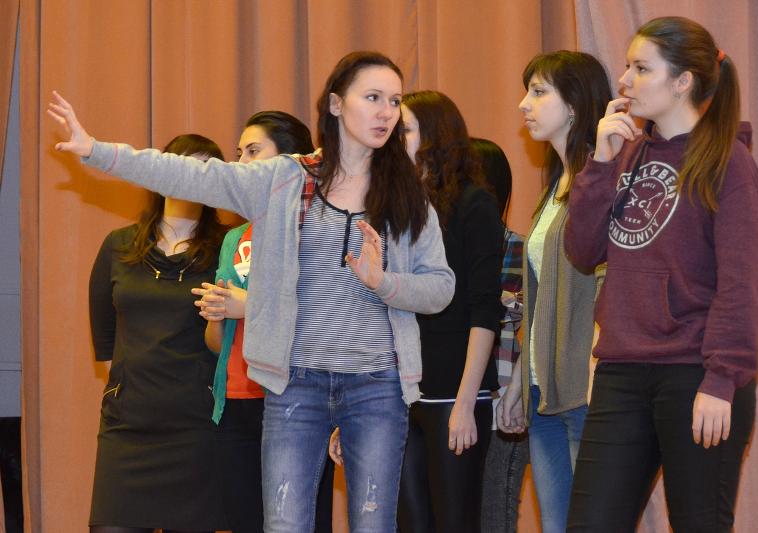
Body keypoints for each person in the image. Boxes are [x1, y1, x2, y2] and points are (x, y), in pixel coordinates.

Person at [49, 50, 455, 532]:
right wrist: (96, 150)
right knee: (283, 524)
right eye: (372, 98)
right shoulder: (284, 179)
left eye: (394, 100)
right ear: (336, 104)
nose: (386, 111)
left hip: (377, 387)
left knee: (373, 525)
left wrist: (383, 281)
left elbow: (440, 288)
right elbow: (191, 175)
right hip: (295, 383)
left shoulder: (408, 195)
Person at [563, 16, 758, 532]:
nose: (624, 80)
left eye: (641, 68)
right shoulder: (625, 154)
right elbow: (583, 252)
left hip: (695, 372)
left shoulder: (728, 162)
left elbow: (744, 282)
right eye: (627, 66)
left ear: (682, 81)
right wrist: (600, 164)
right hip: (622, 371)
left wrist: (722, 378)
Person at [190, 111, 334, 533]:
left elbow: (324, 312)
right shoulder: (234, 238)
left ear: (291, 160)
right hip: (235, 399)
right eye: (239, 153)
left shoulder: (319, 227)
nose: (241, 163)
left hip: (295, 398)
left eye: (253, 151)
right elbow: (217, 342)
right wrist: (217, 313)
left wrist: (248, 305)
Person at [86, 134, 229, 533]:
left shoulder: (227, 248)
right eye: (182, 167)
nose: (190, 179)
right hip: (128, 426)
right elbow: (106, 339)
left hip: (197, 428)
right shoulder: (117, 246)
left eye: (204, 172)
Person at [495, 51, 611, 533]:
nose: (524, 104)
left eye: (539, 92)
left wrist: (596, 368)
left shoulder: (601, 181)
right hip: (544, 391)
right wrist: (518, 383)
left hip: (585, 388)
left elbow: (607, 283)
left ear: (576, 104)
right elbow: (540, 300)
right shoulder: (556, 186)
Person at [396, 90, 504, 533]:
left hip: (452, 395)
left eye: (404, 129)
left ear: (434, 136)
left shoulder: (474, 204)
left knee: (455, 522)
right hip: (402, 395)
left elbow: (485, 310)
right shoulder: (396, 208)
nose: (392, 138)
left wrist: (465, 403)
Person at [470, 137, 528, 533]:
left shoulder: (516, 246)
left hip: (501, 401)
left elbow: (512, 311)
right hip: (449, 400)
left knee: (494, 515)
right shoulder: (436, 247)